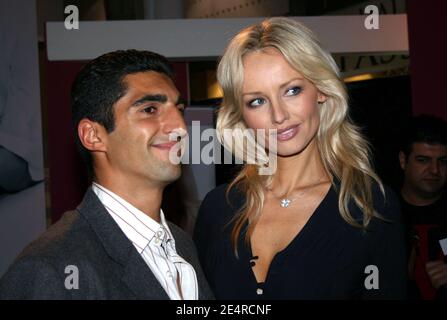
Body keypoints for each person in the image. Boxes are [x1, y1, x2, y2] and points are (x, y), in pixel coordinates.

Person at [193, 17, 407, 299]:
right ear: (241, 114)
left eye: (292, 90)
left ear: (320, 89)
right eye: (257, 100)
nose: (279, 115)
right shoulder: (218, 209)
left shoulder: (368, 206)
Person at [0, 49, 213, 300]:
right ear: (93, 135)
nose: (179, 127)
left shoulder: (181, 244)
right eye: (150, 109)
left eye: (179, 109)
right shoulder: (50, 269)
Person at [398, 115, 447, 300]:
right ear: (404, 161)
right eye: (423, 160)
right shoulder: (381, 214)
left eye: (442, 161)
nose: (434, 170)